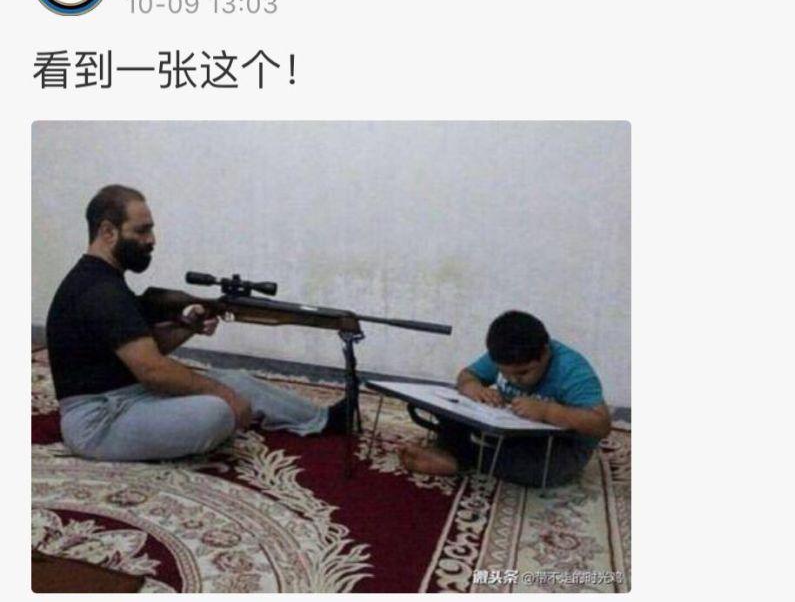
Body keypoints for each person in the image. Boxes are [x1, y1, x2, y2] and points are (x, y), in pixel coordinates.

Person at [45, 185, 350, 462]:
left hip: (130, 395)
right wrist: (224, 396)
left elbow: (144, 347)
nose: (152, 240)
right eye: (142, 231)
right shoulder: (99, 291)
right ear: (107, 231)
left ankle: (323, 419)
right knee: (216, 410)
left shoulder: (106, 280)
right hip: (98, 421)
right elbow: (152, 370)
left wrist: (189, 326)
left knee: (236, 381)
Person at [399, 310, 611, 487]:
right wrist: (473, 387)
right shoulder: (505, 353)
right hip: (512, 430)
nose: (513, 379)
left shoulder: (572, 370)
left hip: (558, 443)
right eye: (504, 372)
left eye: (523, 373)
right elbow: (467, 376)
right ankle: (462, 453)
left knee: (547, 472)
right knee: (453, 407)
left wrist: (548, 411)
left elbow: (601, 424)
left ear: (545, 352)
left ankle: (457, 456)